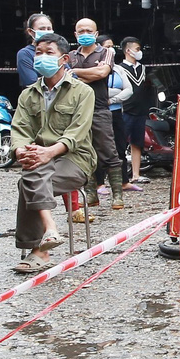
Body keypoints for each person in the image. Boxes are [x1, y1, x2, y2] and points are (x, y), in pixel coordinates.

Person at [11, 35, 97, 273]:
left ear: (64, 58)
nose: (42, 57)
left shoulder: (83, 92)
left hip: (75, 159)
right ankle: (49, 233)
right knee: (32, 174)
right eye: (38, 52)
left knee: (29, 179)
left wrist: (49, 152)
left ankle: (41, 249)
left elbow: (77, 133)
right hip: (39, 157)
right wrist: (21, 151)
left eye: (49, 52)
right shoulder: (28, 94)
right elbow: (19, 129)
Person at [66, 16, 127, 214]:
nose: (85, 35)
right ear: (75, 34)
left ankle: (117, 194)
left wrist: (76, 72)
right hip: (76, 111)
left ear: (96, 34)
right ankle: (90, 193)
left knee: (109, 152)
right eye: (80, 31)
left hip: (100, 108)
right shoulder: (70, 55)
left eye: (88, 31)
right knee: (84, 152)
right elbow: (67, 78)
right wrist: (86, 73)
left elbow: (102, 74)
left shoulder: (107, 52)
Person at [116, 36, 149, 185]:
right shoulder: (119, 68)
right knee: (121, 144)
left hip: (140, 110)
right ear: (128, 50)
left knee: (137, 143)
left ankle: (136, 174)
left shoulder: (142, 68)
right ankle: (120, 176)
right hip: (125, 110)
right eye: (137, 49)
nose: (139, 52)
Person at [14, 12, 53, 90]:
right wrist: (60, 79)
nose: (46, 31)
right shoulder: (25, 54)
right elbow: (32, 82)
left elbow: (72, 78)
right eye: (42, 29)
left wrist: (41, 79)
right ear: (30, 32)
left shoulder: (57, 51)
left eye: (49, 29)